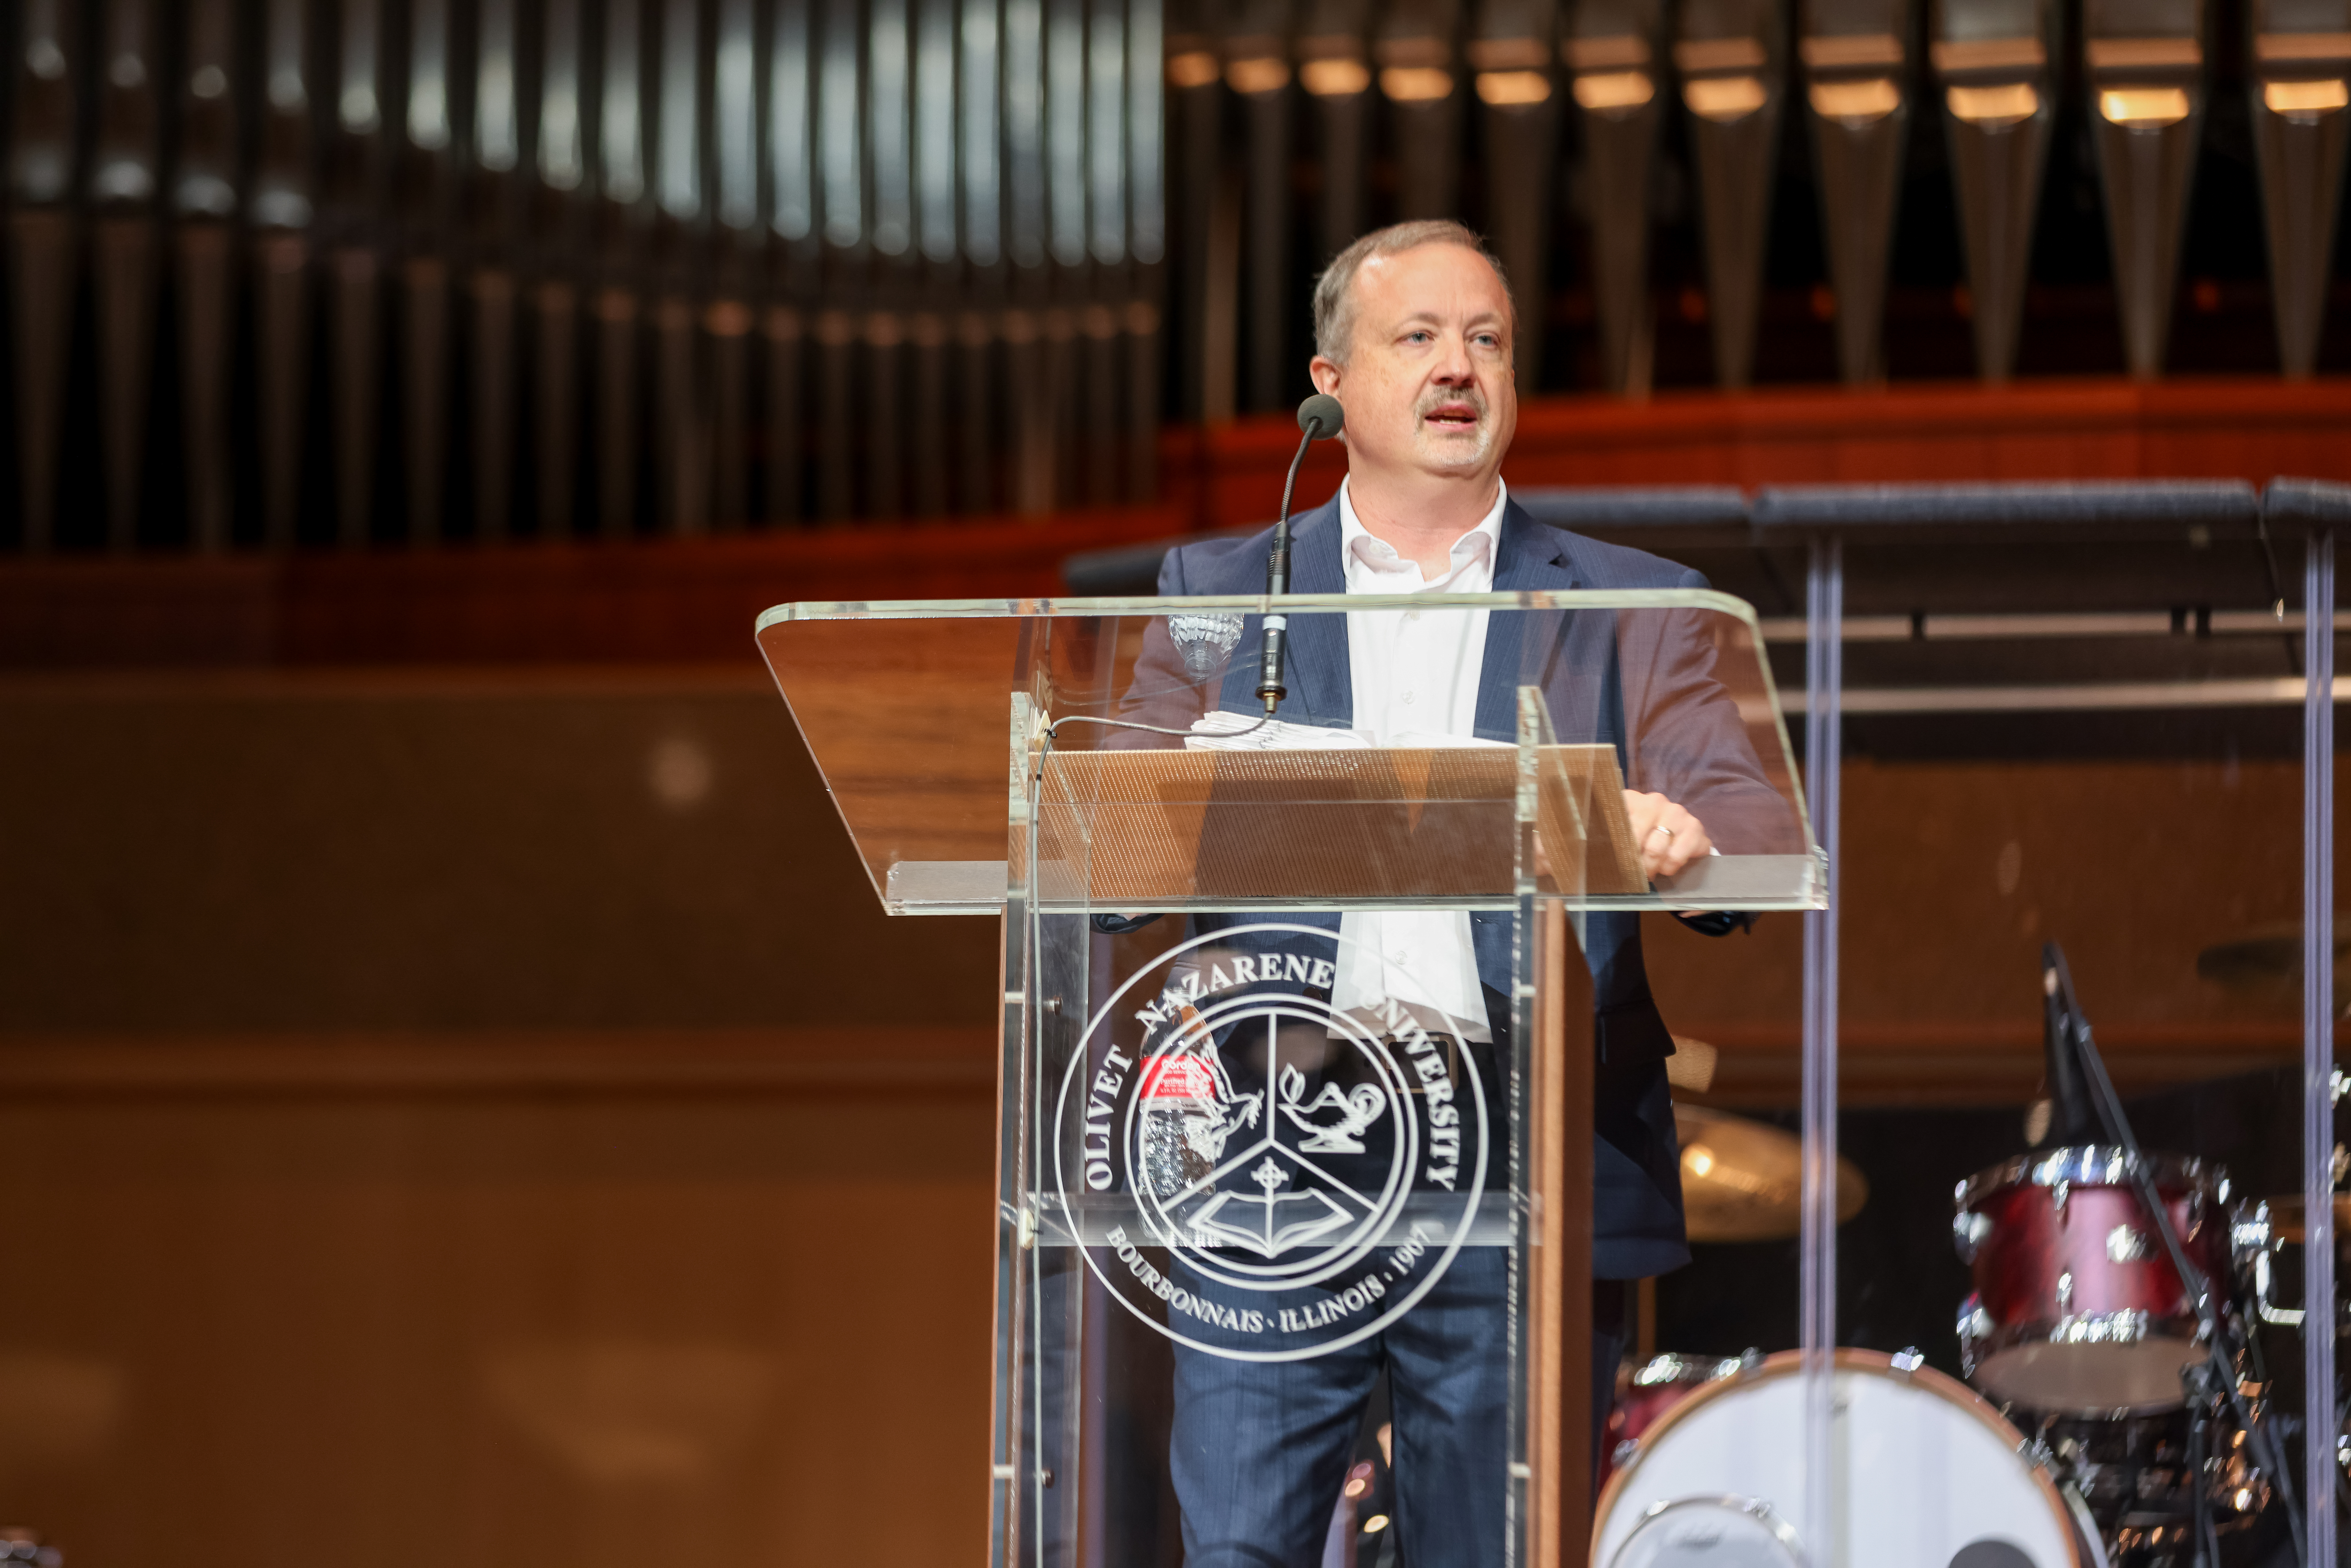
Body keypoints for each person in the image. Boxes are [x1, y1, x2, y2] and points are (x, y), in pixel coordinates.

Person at [1103, 219, 1793, 1568]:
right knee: (1236, 1550)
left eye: (1484, 338)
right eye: (1415, 337)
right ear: (1331, 383)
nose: (1456, 366)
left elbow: (1747, 832)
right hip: (1272, 1155)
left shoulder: (1628, 602)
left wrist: (1672, 831)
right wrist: (1146, 804)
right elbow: (1113, 841)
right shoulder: (1221, 591)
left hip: (1520, 1163)